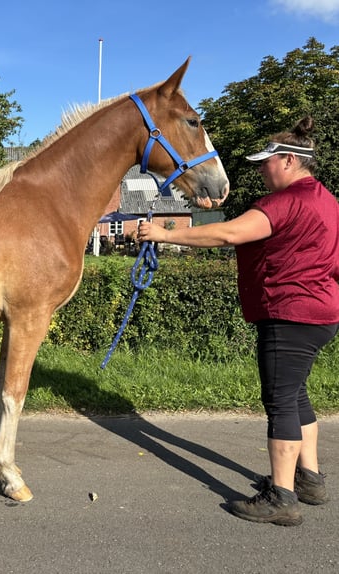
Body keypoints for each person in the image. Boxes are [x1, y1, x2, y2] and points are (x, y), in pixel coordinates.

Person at [138, 116, 339, 527]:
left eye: (266, 162)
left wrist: (163, 234)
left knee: (280, 401)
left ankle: (282, 497)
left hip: (290, 312)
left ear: (287, 160)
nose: (261, 170)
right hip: (321, 312)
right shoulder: (326, 200)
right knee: (297, 394)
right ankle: (310, 479)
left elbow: (228, 235)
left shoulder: (283, 202)